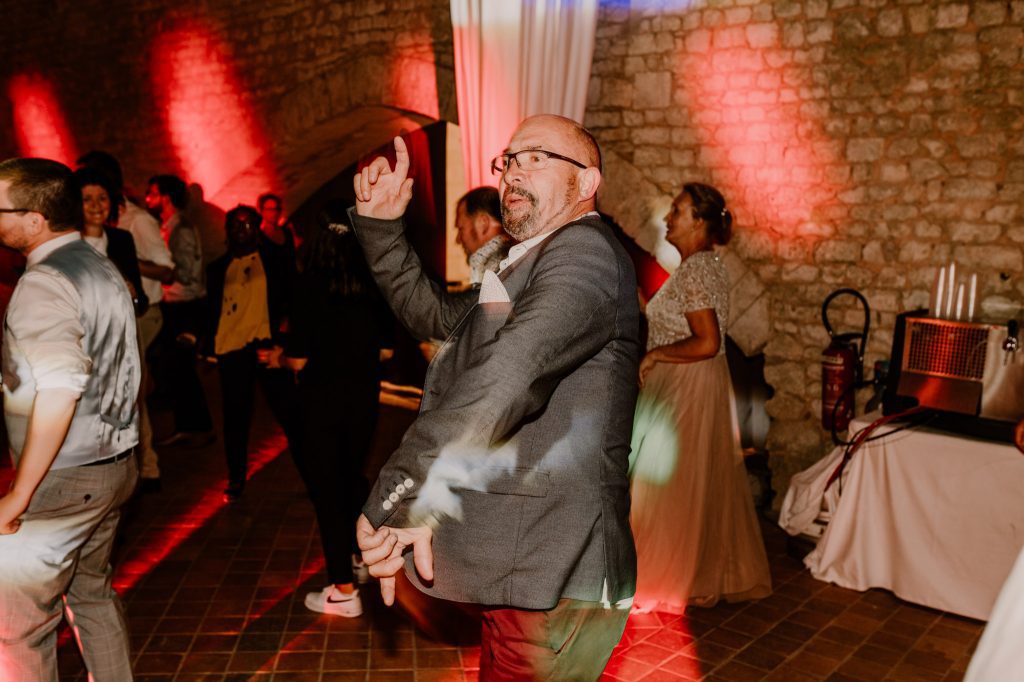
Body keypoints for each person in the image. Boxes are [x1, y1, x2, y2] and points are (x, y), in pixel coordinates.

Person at [354, 115, 641, 680]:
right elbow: (440, 319)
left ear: (587, 184)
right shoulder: (532, 260)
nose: (514, 170)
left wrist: (403, 491)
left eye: (537, 157)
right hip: (520, 561)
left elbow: (507, 375)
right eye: (509, 159)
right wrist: (383, 230)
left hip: (553, 570)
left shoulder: (584, 255)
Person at [0, 158, 140, 680]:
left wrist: (19, 495)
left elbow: (61, 391)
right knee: (92, 595)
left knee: (18, 626)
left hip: (65, 478)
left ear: (34, 219)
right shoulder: (97, 261)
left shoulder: (43, 284)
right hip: (114, 466)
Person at [628, 182, 771, 613]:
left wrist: (655, 354)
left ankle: (656, 576)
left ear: (700, 222)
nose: (669, 217)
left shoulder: (697, 269)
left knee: (663, 488)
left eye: (678, 209)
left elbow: (707, 341)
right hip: (689, 383)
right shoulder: (698, 266)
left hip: (686, 385)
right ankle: (685, 571)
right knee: (680, 487)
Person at [282, 204, 389, 617]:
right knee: (351, 479)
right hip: (362, 398)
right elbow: (387, 349)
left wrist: (282, 358)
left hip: (320, 402)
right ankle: (360, 558)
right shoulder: (373, 284)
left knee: (328, 492)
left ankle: (342, 589)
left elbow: (297, 359)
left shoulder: (309, 284)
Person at [77, 150, 175, 491]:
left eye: (101, 198)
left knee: (132, 398)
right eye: (86, 198)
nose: (94, 205)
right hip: (83, 338)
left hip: (122, 333)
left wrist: (131, 291)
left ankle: (145, 465)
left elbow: (141, 301)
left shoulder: (121, 240)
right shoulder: (67, 246)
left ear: (111, 203)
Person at [204, 205, 296, 501]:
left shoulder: (273, 261)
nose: (242, 230)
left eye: (248, 225)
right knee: (235, 417)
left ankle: (312, 470)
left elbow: (291, 296)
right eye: (236, 225)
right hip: (232, 350)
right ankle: (236, 476)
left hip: (267, 347)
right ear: (227, 231)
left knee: (290, 412)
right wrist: (204, 345)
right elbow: (211, 311)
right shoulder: (217, 269)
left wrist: (284, 335)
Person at [146, 174, 213, 445]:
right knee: (175, 367)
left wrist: (155, 270)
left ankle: (196, 426)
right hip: (177, 303)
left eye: (153, 193)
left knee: (181, 368)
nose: (149, 198)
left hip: (184, 305)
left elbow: (184, 273)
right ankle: (190, 425)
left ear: (166, 197)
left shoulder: (180, 228)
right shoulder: (169, 225)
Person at [454, 186, 510, 287]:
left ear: (483, 223)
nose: (458, 240)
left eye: (461, 229)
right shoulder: (510, 258)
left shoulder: (498, 267)